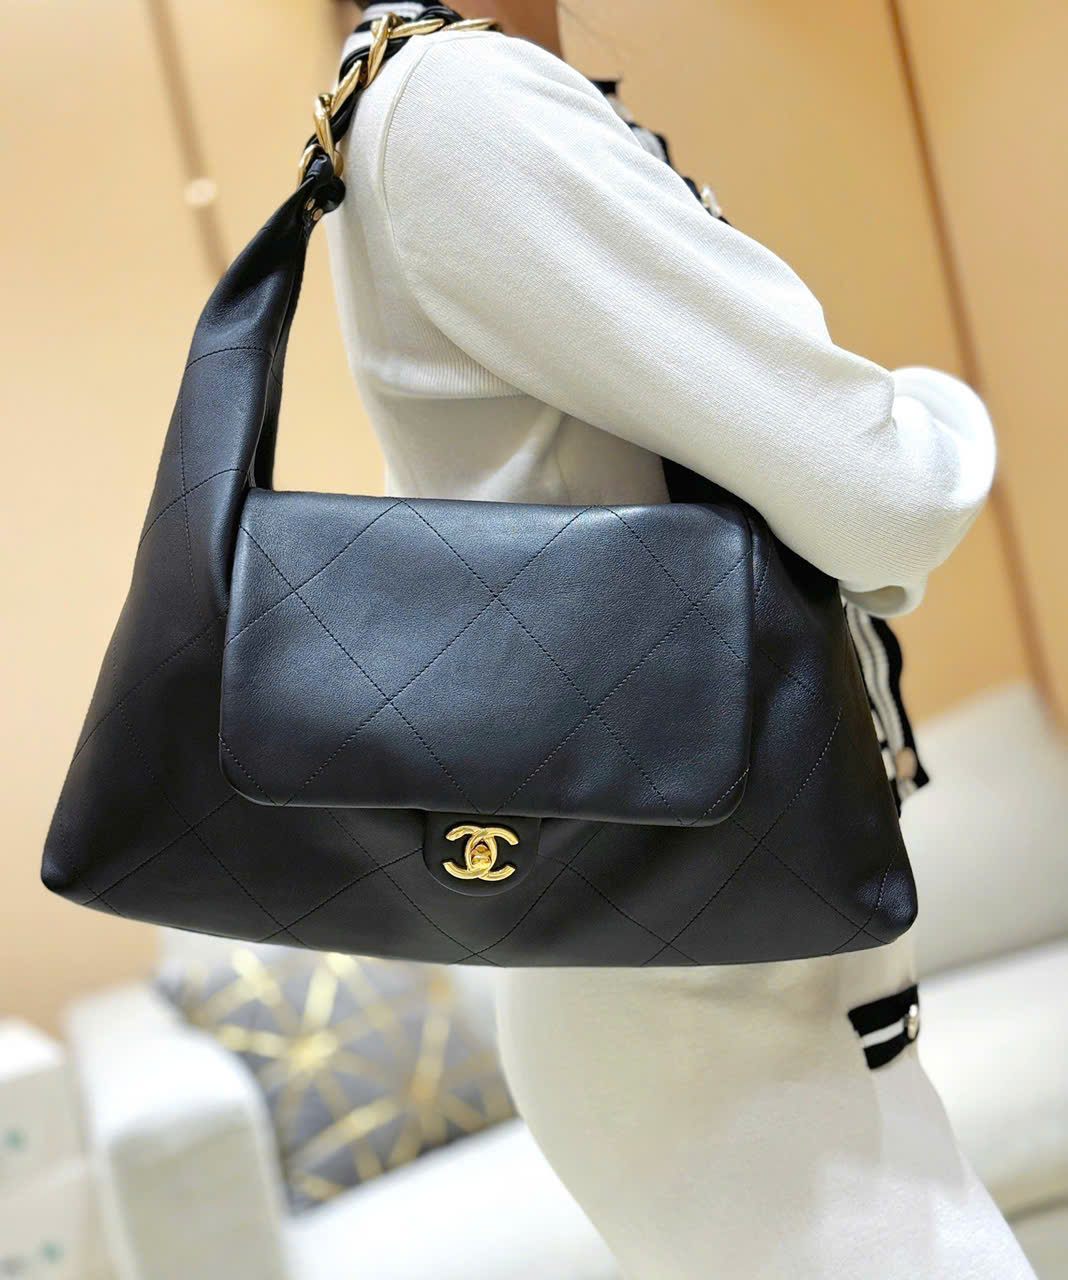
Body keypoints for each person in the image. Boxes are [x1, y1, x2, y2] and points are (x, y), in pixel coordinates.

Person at [324, 3, 1036, 1275]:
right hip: (700, 981)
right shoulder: (461, 100)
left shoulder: (436, 91)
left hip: (700, 949)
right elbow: (878, 490)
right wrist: (938, 410)